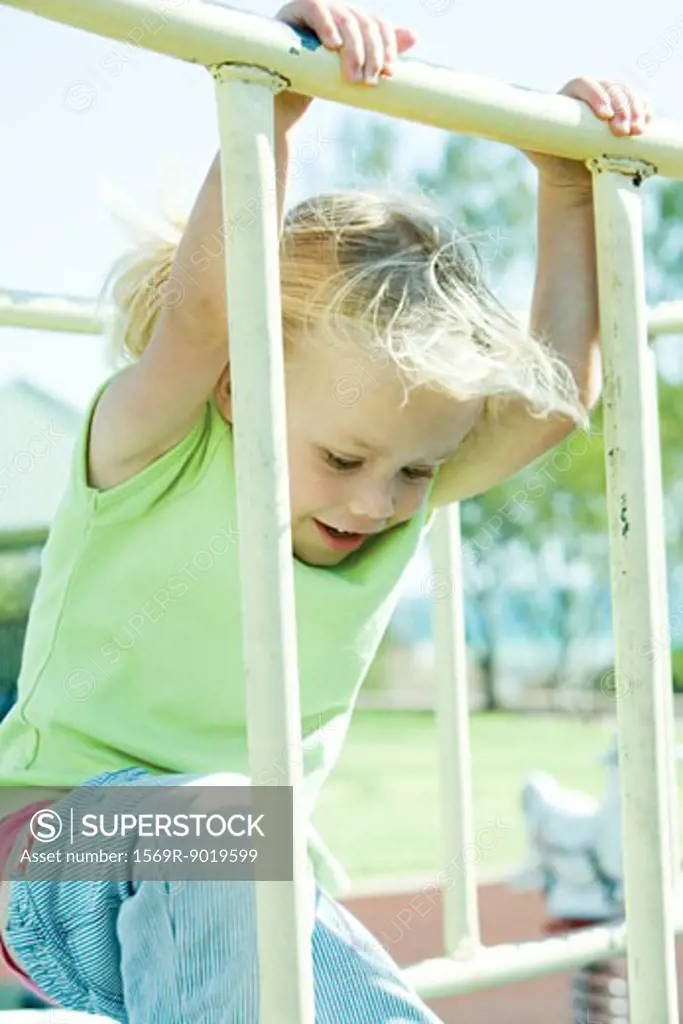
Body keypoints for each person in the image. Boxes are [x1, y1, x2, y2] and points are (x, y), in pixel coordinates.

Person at [0, 1, 652, 1020]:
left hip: (239, 883)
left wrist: (565, 185)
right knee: (228, 826)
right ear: (238, 387)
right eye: (345, 456)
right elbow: (205, 312)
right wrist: (274, 100)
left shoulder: (396, 487)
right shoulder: (154, 444)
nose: (379, 499)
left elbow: (555, 399)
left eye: (411, 470)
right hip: (45, 852)